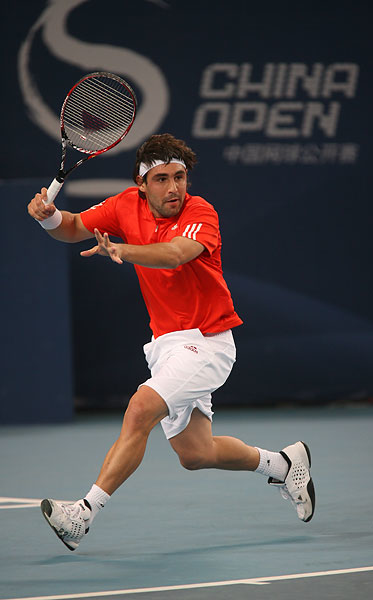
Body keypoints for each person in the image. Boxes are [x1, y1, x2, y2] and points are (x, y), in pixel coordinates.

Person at [27, 133, 315, 551]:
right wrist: (48, 216)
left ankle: (82, 515)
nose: (173, 188)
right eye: (161, 179)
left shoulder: (201, 212)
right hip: (166, 345)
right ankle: (283, 464)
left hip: (207, 343)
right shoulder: (125, 205)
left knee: (140, 409)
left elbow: (176, 254)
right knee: (195, 454)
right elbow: (71, 227)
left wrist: (123, 251)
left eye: (179, 177)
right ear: (142, 184)